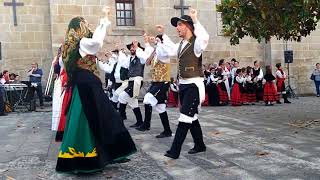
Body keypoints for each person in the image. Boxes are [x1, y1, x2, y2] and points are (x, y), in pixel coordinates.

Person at [56, 6, 136, 173]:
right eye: (84, 24)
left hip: (81, 84)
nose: (87, 27)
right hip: (88, 85)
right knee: (93, 118)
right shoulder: (82, 43)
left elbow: (65, 66)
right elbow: (96, 43)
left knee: (100, 117)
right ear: (79, 28)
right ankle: (87, 159)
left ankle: (110, 152)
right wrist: (104, 20)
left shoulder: (67, 47)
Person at [156, 7, 209, 159]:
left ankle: (174, 151)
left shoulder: (197, 44)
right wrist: (161, 36)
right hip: (184, 85)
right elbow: (167, 51)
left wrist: (196, 20)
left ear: (188, 26)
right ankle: (200, 145)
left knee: (185, 117)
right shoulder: (180, 45)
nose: (177, 28)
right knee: (192, 117)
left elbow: (204, 38)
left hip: (194, 85)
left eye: (180, 25)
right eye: (177, 25)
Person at [136, 34, 173, 138]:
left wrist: (157, 44)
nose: (155, 41)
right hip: (156, 81)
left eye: (157, 40)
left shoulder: (164, 53)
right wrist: (152, 48)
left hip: (163, 82)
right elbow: (147, 62)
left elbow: (162, 50)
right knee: (160, 107)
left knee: (147, 98)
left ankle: (146, 125)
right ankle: (167, 131)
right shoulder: (156, 52)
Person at [118, 40, 150, 128]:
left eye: (134, 47)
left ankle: (120, 117)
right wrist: (121, 51)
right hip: (131, 81)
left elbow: (145, 57)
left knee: (122, 96)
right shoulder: (130, 58)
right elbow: (123, 64)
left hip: (137, 80)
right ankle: (139, 121)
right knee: (133, 102)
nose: (132, 48)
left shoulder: (141, 58)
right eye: (131, 47)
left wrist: (139, 49)